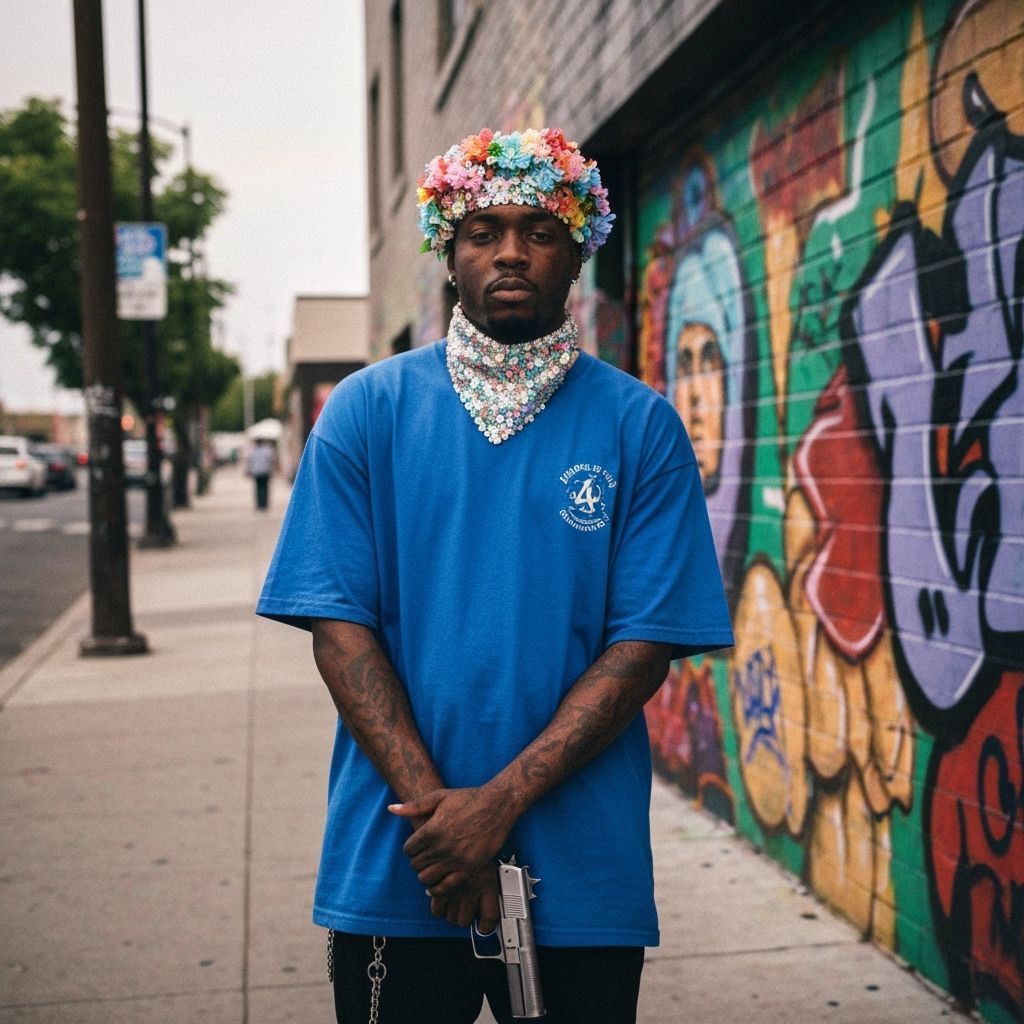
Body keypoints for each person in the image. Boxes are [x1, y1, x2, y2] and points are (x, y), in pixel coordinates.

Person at [256, 127, 733, 1024]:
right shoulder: (367, 410)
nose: (510, 251)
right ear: (449, 251)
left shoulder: (641, 426)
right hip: (402, 862)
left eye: (539, 230)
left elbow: (644, 646)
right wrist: (447, 821)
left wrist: (499, 804)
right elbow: (337, 627)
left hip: (581, 873)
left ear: (579, 252)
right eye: (482, 230)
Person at [246, 438, 275, 511]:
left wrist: (249, 470)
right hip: (265, 471)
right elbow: (271, 460)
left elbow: (250, 461)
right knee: (265, 489)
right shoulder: (267, 450)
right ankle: (264, 504)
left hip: (257, 472)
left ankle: (259, 504)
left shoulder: (253, 451)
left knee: (258, 489)